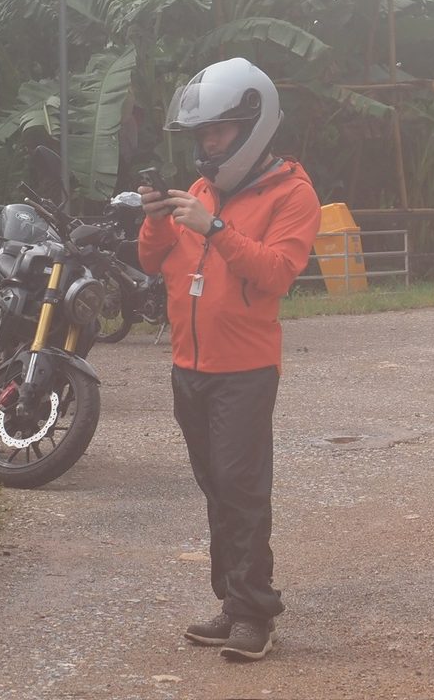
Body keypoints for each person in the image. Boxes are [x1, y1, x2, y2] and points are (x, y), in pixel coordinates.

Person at [138, 57, 322, 663]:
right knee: (216, 487)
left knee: (242, 488)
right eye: (203, 134)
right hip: (189, 364)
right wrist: (154, 219)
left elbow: (275, 274)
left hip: (244, 369)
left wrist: (215, 227)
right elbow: (154, 262)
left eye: (217, 132)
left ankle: (255, 614)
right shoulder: (199, 191)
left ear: (252, 127)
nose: (208, 144)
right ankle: (231, 603)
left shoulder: (294, 194)